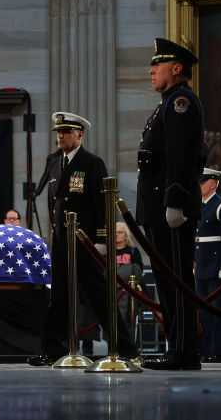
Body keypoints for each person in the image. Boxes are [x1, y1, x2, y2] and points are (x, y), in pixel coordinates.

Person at [29, 112, 138, 366]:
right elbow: (52, 201)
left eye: (66, 132)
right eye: (59, 132)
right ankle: (53, 350)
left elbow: (102, 204)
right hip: (61, 240)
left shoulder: (92, 163)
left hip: (86, 240)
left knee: (98, 296)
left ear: (80, 135)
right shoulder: (54, 161)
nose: (61, 136)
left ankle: (125, 349)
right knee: (58, 298)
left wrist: (101, 239)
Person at [135, 38, 205, 371]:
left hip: (171, 208)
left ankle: (183, 351)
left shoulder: (180, 101)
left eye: (157, 65)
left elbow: (181, 156)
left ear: (176, 68)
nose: (151, 70)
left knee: (177, 281)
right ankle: (176, 347)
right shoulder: (166, 103)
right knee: (166, 280)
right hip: (159, 207)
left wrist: (175, 200)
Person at [195, 168, 221, 363]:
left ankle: (219, 351)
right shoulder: (199, 205)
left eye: (203, 181)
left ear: (213, 183)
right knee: (203, 312)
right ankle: (205, 350)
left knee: (217, 311)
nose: (200, 185)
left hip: (216, 266)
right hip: (202, 266)